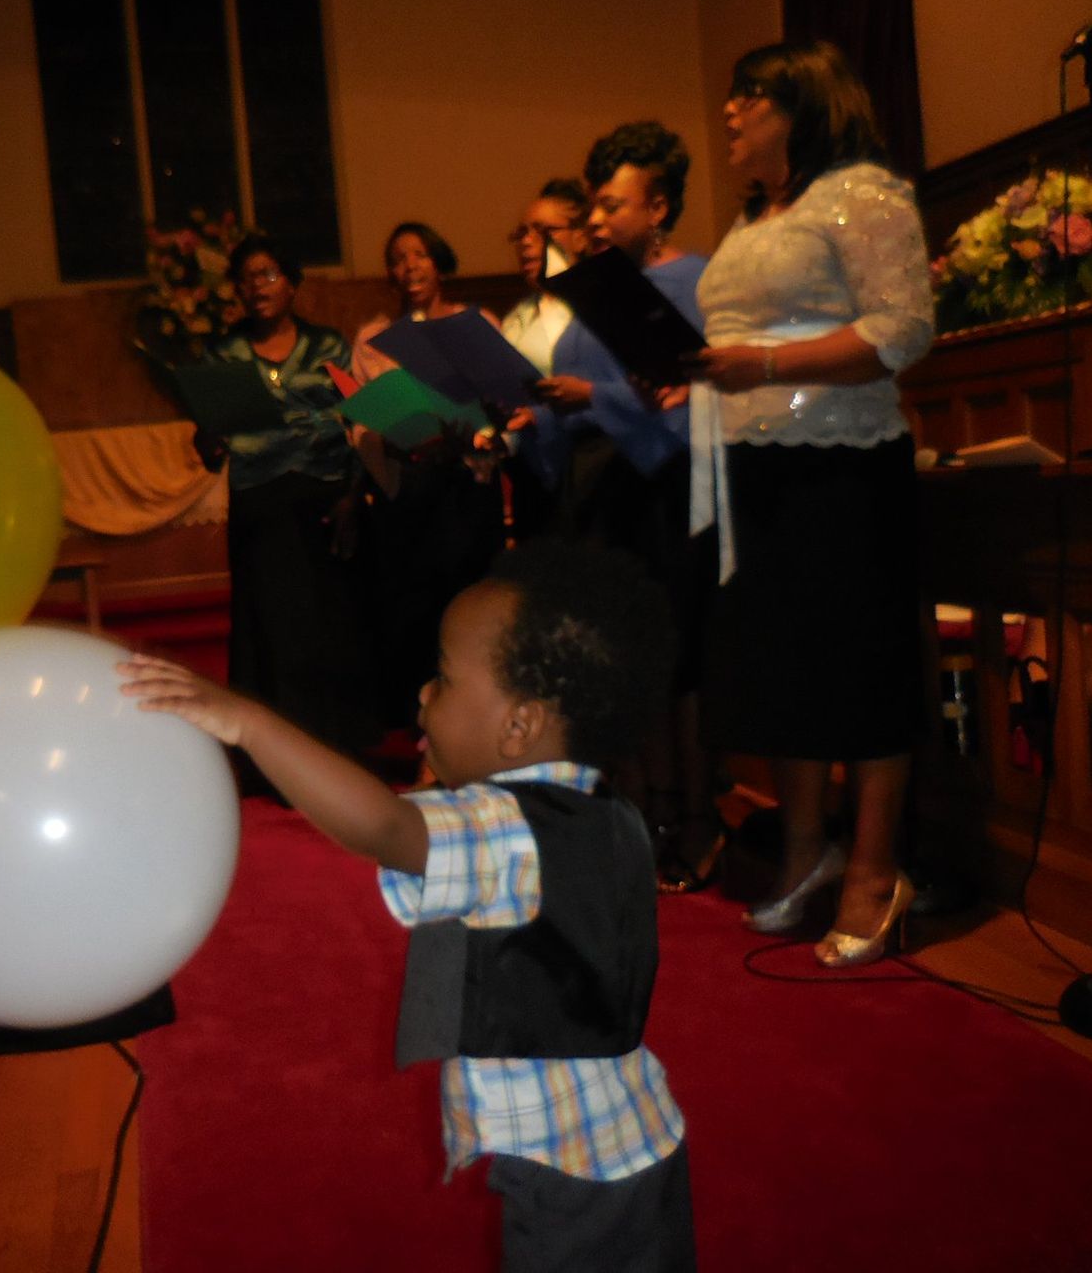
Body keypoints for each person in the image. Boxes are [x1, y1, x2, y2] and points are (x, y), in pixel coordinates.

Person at [119, 539, 693, 1273]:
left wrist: (250, 724)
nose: (423, 694)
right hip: (626, 1133)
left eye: (445, 680)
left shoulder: (507, 828)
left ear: (517, 726)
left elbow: (386, 828)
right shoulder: (596, 809)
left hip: (570, 1169)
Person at [689, 40, 935, 968]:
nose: (730, 113)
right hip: (754, 464)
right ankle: (804, 853)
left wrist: (760, 366)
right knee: (781, 669)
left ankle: (875, 870)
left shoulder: (863, 193)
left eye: (748, 97)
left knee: (859, 665)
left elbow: (902, 330)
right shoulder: (757, 218)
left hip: (843, 464)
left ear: (802, 106)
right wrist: (701, 379)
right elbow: (735, 336)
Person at [519, 124, 716, 891]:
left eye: (611, 206)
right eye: (592, 208)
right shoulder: (595, 288)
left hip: (668, 487)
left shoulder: (699, 280)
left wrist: (593, 398)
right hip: (602, 498)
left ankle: (698, 816)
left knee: (682, 659)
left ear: (658, 206)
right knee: (627, 665)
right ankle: (645, 815)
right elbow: (568, 401)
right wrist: (524, 421)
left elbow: (699, 396)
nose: (596, 223)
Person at [201, 235, 374, 760]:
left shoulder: (328, 347)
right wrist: (207, 437)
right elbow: (211, 451)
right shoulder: (222, 354)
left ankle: (337, 746)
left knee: (330, 626)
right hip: (260, 507)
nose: (258, 286)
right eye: (248, 277)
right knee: (268, 631)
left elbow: (361, 422)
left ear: (293, 284)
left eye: (269, 273)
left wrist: (352, 498)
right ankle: (273, 756)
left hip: (324, 501)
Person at [349, 222, 505, 728]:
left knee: (468, 610)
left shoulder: (474, 324)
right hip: (407, 491)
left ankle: (476, 724)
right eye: (398, 257)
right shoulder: (373, 339)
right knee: (416, 618)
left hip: (463, 486)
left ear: (439, 263)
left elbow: (503, 399)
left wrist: (474, 428)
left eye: (420, 254)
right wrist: (386, 434)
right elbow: (360, 420)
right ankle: (426, 731)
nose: (409, 265)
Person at [497, 179, 588, 539]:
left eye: (544, 231)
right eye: (522, 233)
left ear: (580, 237)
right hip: (529, 473)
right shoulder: (517, 318)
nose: (528, 242)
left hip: (585, 470)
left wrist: (541, 415)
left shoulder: (595, 307)